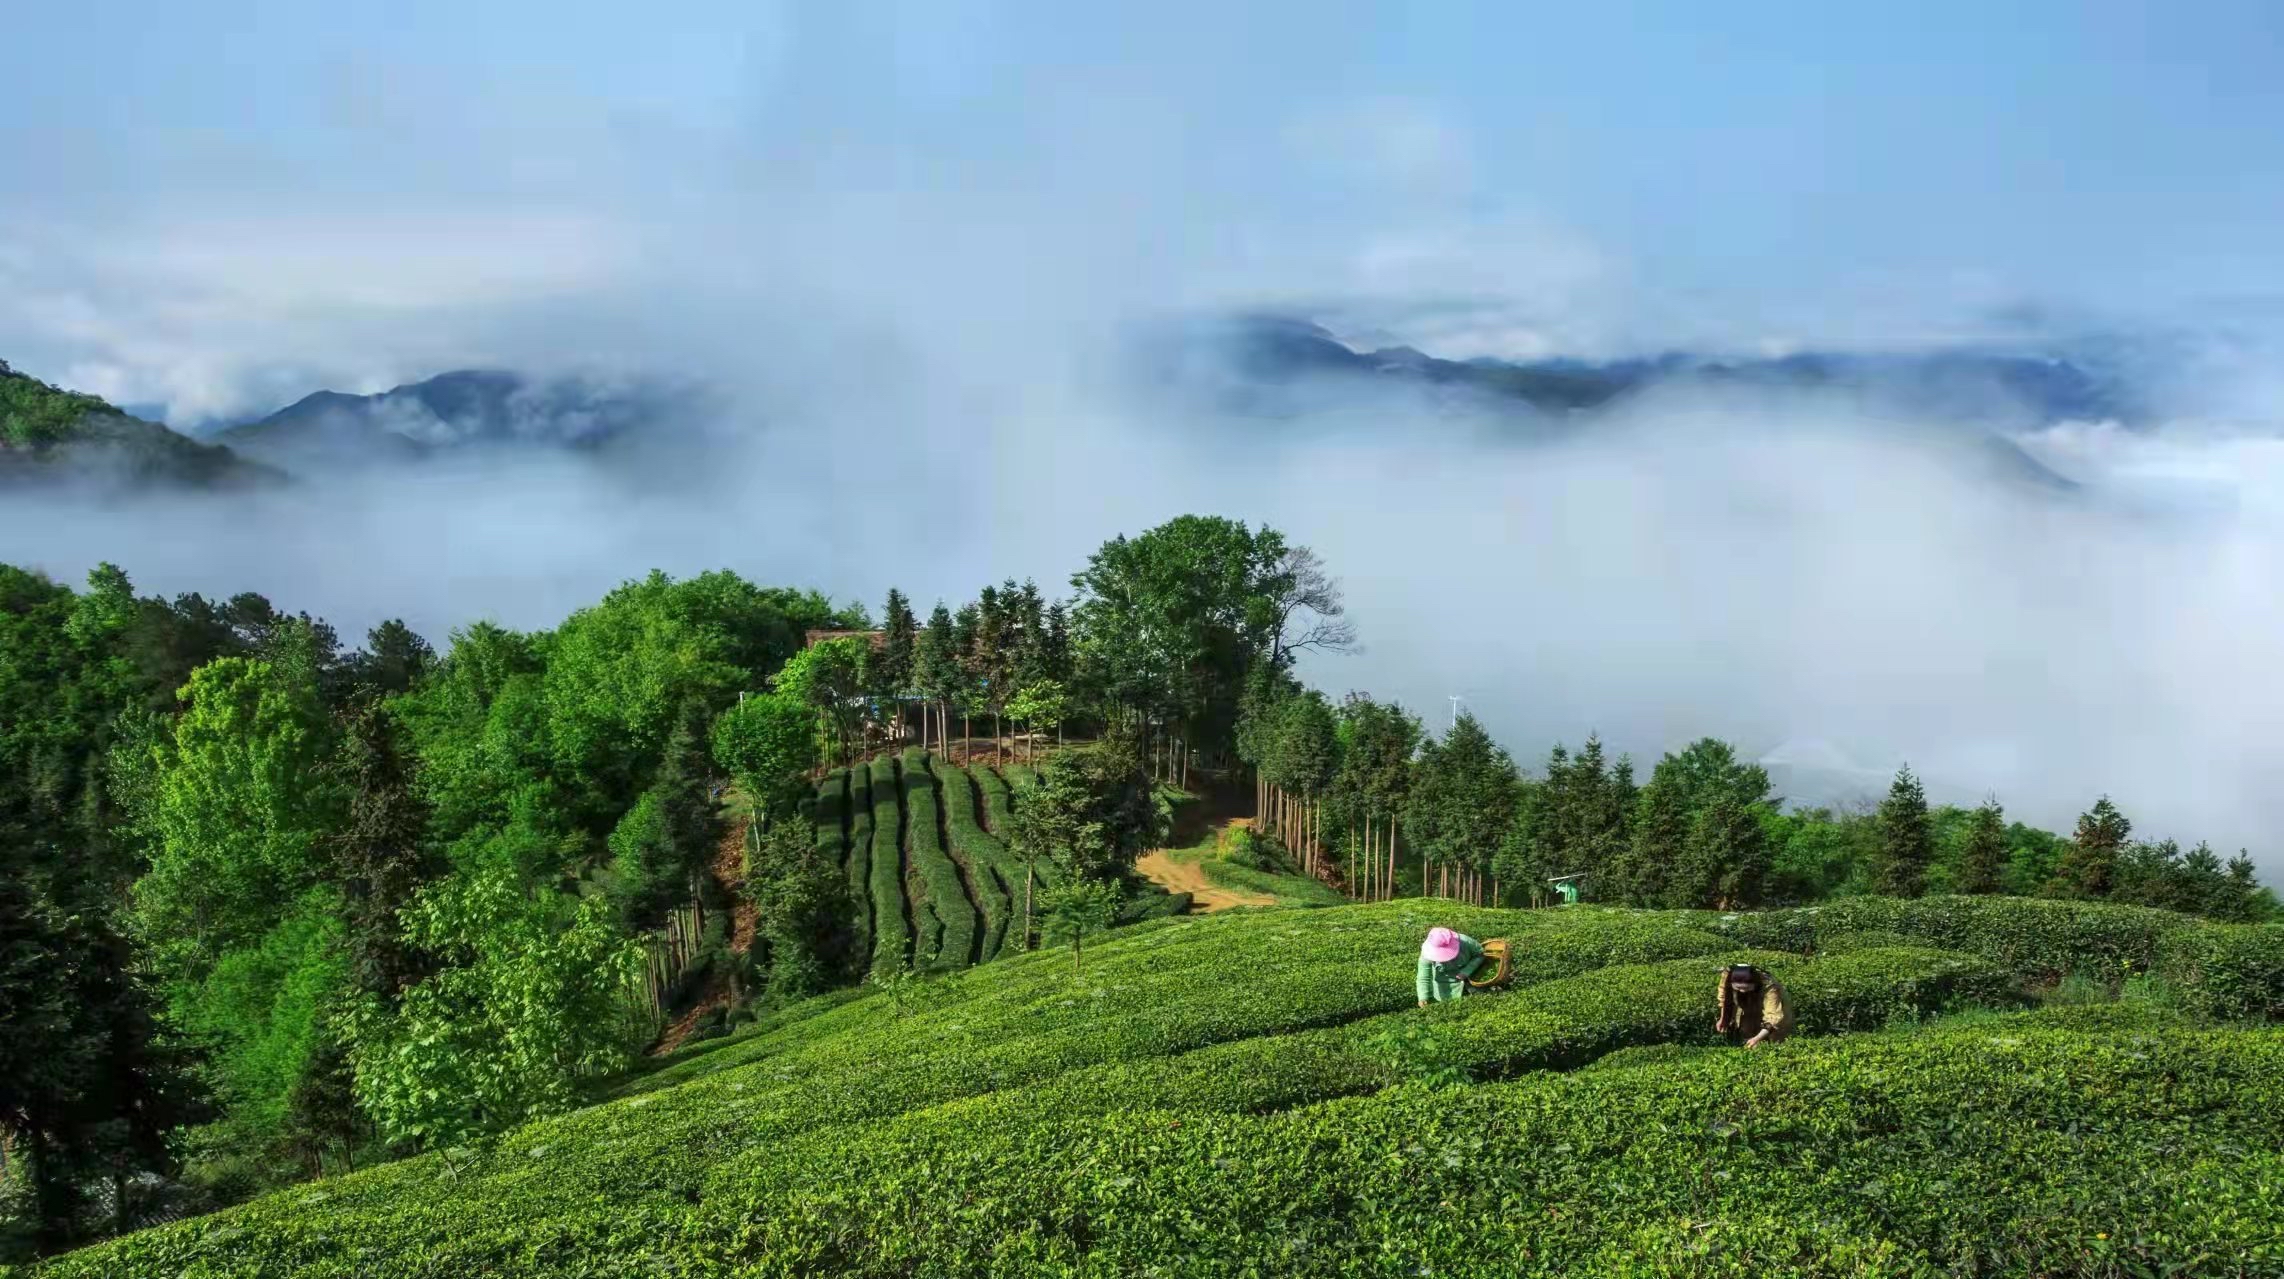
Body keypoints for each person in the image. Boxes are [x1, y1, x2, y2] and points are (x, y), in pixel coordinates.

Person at [1714, 963, 1794, 1048]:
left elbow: (1773, 1017)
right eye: (1738, 988)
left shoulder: (1770, 987)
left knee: (1771, 1041)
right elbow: (1724, 997)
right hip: (1746, 1007)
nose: (1742, 991)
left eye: (1746, 988)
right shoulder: (1728, 976)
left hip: (1761, 1006)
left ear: (1755, 983)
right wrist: (1723, 1018)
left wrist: (1757, 1038)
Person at [1417, 927, 1486, 1005]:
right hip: (1444, 988)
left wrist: (1467, 971)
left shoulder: (1466, 942)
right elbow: (1423, 977)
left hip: (1471, 983)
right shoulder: (1427, 953)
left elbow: (1480, 954)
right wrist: (1423, 997)